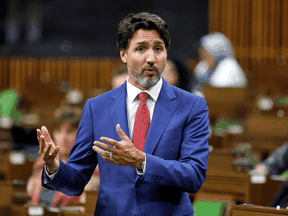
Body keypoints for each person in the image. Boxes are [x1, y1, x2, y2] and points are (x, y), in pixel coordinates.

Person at [38, 12, 209, 216]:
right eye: (140, 49)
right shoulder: (97, 107)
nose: (151, 58)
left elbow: (194, 176)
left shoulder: (191, 105)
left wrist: (141, 161)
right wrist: (54, 167)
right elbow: (75, 183)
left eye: (158, 49)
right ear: (123, 54)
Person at [27, 110, 100, 208]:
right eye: (58, 131)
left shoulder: (93, 170)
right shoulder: (42, 164)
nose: (63, 137)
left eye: (70, 132)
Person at [191, 32, 248, 96]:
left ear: (216, 52)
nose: (202, 54)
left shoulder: (229, 67)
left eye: (205, 51)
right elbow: (196, 88)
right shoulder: (204, 67)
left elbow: (216, 94)